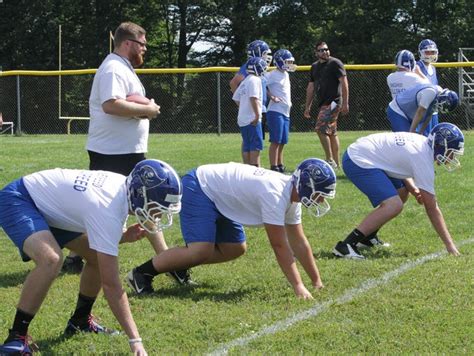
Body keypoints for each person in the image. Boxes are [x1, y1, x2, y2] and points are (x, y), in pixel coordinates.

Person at [0, 159, 182, 355]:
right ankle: (16, 338)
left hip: (49, 206)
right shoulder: (108, 206)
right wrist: (135, 340)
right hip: (19, 199)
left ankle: (80, 320)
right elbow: (111, 284)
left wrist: (122, 236)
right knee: (50, 259)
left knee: (94, 257)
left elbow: (100, 227)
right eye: (158, 207)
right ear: (140, 194)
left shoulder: (121, 190)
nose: (158, 215)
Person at [63, 22, 192, 285]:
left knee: (140, 204)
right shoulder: (113, 68)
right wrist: (147, 111)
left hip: (124, 151)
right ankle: (166, 261)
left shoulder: (123, 68)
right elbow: (111, 105)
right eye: (142, 44)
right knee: (139, 204)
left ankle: (76, 255)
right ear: (128, 43)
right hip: (113, 152)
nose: (145, 49)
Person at [127, 158, 337, 299]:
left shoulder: (291, 197)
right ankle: (141, 273)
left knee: (235, 248)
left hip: (221, 196)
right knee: (201, 250)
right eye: (320, 193)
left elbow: (299, 242)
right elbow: (280, 246)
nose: (321, 199)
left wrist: (317, 282)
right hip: (202, 186)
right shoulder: (276, 195)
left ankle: (177, 264)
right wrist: (298, 286)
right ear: (306, 185)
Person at [332, 123, 464, 259]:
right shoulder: (422, 157)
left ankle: (368, 237)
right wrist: (450, 245)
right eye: (451, 152)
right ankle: (346, 245)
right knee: (393, 205)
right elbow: (432, 208)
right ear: (439, 146)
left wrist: (413, 189)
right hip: (357, 159)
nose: (452, 158)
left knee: (402, 192)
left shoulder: (423, 144)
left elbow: (398, 163)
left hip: (366, 153)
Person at [304, 42, 349, 170]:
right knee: (332, 133)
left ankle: (329, 160)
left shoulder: (335, 63)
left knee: (320, 129)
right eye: (321, 50)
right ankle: (337, 164)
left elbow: (344, 83)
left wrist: (345, 103)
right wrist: (307, 106)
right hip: (323, 103)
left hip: (335, 102)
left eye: (326, 49)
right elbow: (311, 87)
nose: (325, 52)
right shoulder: (314, 67)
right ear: (316, 53)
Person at [230, 40, 272, 139]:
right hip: (253, 108)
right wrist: (240, 103)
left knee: (257, 139)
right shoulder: (249, 66)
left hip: (260, 106)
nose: (268, 56)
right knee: (251, 140)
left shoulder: (260, 66)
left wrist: (271, 95)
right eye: (265, 53)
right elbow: (233, 83)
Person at [232, 57, 268, 167]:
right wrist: (257, 115)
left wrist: (243, 107)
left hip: (243, 119)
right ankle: (255, 169)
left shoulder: (245, 80)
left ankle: (247, 170)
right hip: (252, 119)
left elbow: (236, 98)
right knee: (255, 146)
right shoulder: (255, 80)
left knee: (247, 145)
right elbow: (254, 98)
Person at [265, 49, 296, 173]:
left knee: (283, 140)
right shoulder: (272, 74)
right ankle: (273, 166)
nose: (290, 64)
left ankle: (280, 164)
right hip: (275, 110)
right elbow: (261, 83)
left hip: (285, 111)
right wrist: (271, 96)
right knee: (276, 140)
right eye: (287, 61)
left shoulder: (286, 74)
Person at [386, 83, 458, 135]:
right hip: (397, 109)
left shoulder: (437, 94)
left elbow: (429, 115)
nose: (440, 107)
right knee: (405, 140)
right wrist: (411, 133)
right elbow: (420, 112)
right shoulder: (431, 92)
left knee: (415, 141)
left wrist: (421, 132)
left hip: (408, 112)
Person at [416, 39, 440, 135]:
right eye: (427, 52)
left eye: (432, 52)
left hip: (433, 110)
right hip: (422, 109)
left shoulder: (432, 68)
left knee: (434, 139)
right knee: (422, 140)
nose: (430, 54)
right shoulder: (417, 66)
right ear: (421, 53)